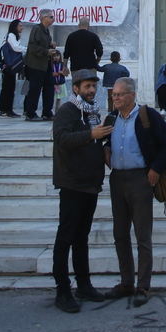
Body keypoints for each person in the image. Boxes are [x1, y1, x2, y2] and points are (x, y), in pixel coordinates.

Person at [103, 77, 166, 307]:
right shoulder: (111, 118)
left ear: (132, 95)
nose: (116, 98)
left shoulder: (147, 116)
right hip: (117, 180)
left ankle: (143, 285)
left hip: (141, 179)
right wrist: (106, 153)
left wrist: (156, 167)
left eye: (120, 95)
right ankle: (126, 282)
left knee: (142, 235)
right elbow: (105, 142)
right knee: (120, 234)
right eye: (114, 94)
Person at [51, 69, 113, 313]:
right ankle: (62, 290)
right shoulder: (66, 111)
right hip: (72, 182)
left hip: (90, 182)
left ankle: (84, 284)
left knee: (81, 237)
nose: (91, 90)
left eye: (93, 86)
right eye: (87, 86)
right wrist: (91, 134)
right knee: (65, 237)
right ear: (75, 88)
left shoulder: (92, 112)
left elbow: (94, 140)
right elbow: (62, 139)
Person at [24, 10, 57, 121]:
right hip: (36, 65)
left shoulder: (46, 31)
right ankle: (30, 113)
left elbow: (43, 45)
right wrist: (46, 51)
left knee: (49, 88)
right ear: (44, 18)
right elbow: (33, 46)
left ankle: (47, 112)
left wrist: (51, 45)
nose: (53, 19)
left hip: (46, 64)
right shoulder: (37, 29)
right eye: (51, 17)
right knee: (35, 89)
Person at [0, 19, 25, 118]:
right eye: (20, 26)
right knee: (7, 87)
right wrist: (28, 49)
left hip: (10, 65)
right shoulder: (11, 36)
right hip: (8, 65)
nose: (22, 27)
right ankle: (4, 109)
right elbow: (16, 48)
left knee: (10, 87)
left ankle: (8, 109)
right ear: (15, 27)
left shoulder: (15, 37)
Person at [50, 50, 68, 115]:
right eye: (54, 56)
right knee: (52, 96)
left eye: (58, 56)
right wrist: (57, 73)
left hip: (60, 83)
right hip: (54, 83)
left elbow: (66, 73)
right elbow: (51, 74)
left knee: (59, 97)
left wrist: (63, 72)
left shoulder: (62, 64)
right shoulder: (51, 64)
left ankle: (57, 109)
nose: (56, 57)